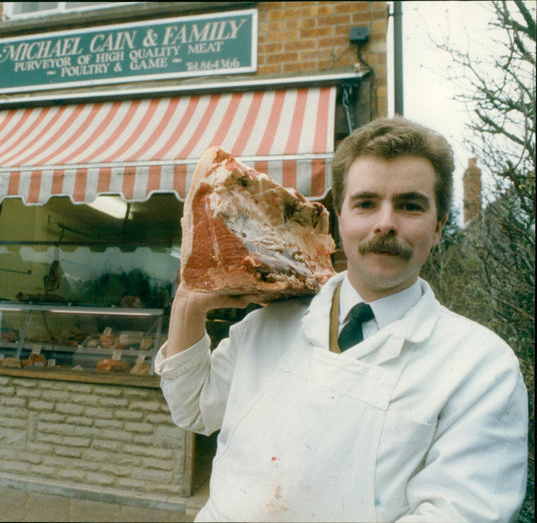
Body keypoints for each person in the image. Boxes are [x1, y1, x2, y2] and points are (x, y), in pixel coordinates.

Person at [155, 117, 528, 522]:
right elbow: (192, 408)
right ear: (339, 218)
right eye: (366, 203)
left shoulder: (481, 366)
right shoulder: (271, 322)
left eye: (409, 205)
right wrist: (188, 305)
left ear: (437, 227)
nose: (385, 222)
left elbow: (459, 514)